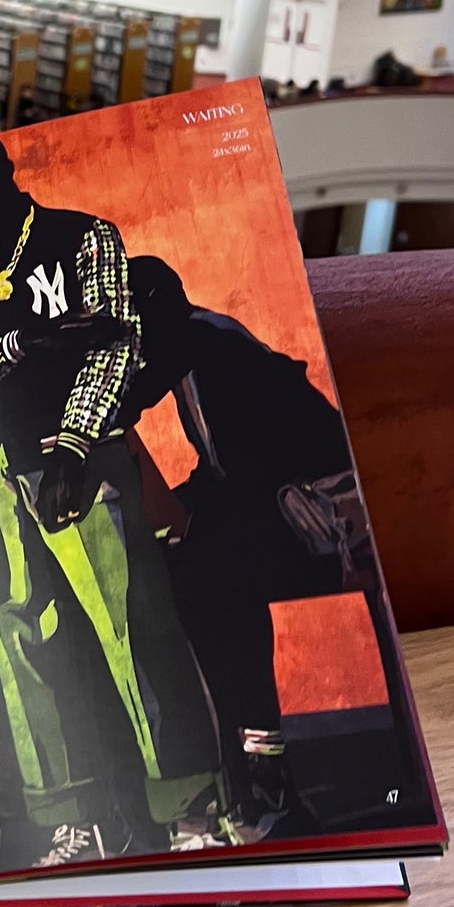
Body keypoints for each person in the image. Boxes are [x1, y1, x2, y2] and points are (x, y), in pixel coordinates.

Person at [0, 136, 222, 865]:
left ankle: (187, 808)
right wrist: (23, 343)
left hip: (76, 457)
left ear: (3, 177)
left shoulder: (84, 238)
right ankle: (69, 819)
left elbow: (115, 343)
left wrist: (76, 442)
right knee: (23, 644)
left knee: (132, 625)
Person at [126, 256, 364, 837]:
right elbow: (226, 471)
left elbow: (257, 473)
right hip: (283, 503)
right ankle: (244, 762)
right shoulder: (196, 351)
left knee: (213, 576)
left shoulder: (210, 348)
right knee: (188, 567)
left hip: (328, 510)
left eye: (130, 332)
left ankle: (260, 769)